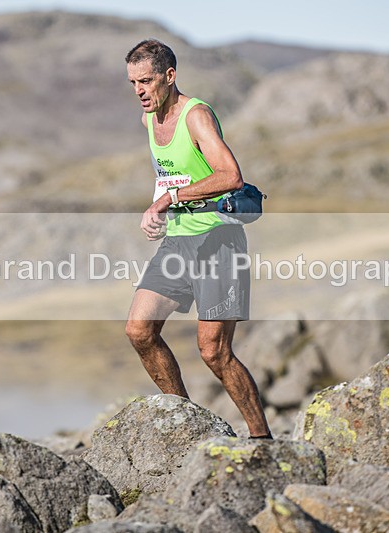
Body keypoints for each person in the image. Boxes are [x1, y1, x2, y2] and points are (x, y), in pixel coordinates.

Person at [124, 39, 271, 439]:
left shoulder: (196, 116)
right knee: (139, 330)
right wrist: (157, 210)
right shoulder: (148, 121)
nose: (139, 90)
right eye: (133, 82)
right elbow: (170, 176)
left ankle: (262, 439)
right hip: (178, 243)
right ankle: (189, 427)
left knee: (214, 353)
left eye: (146, 80)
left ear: (169, 77)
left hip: (218, 241)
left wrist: (171, 199)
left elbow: (230, 176)